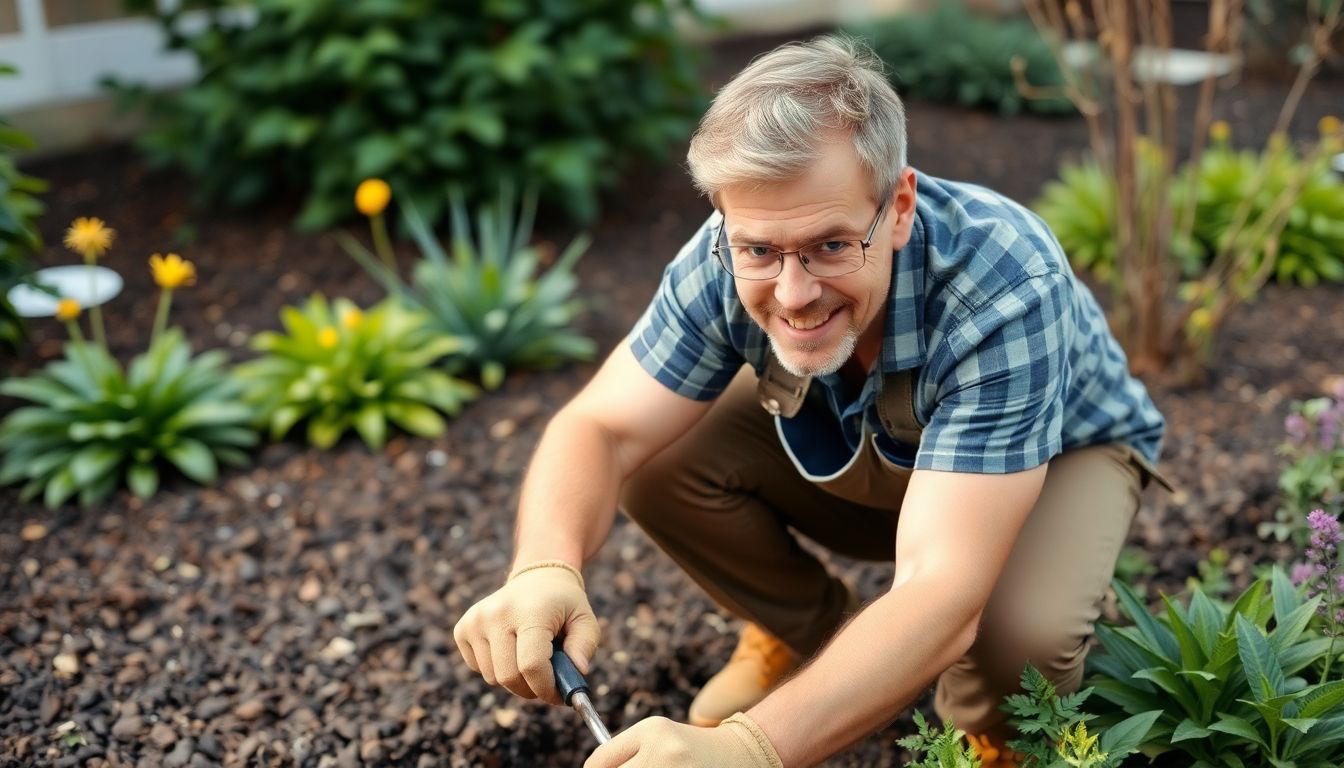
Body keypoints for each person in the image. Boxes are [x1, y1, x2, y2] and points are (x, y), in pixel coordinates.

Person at [453, 34, 1169, 768]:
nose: (793, 293)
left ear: (897, 207)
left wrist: (751, 749)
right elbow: (602, 427)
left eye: (831, 246)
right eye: (759, 250)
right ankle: (816, 639)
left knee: (1016, 639)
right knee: (655, 458)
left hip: (1061, 455)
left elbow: (943, 586)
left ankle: (990, 742)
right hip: (873, 444)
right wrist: (544, 567)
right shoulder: (727, 251)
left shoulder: (1004, 282)